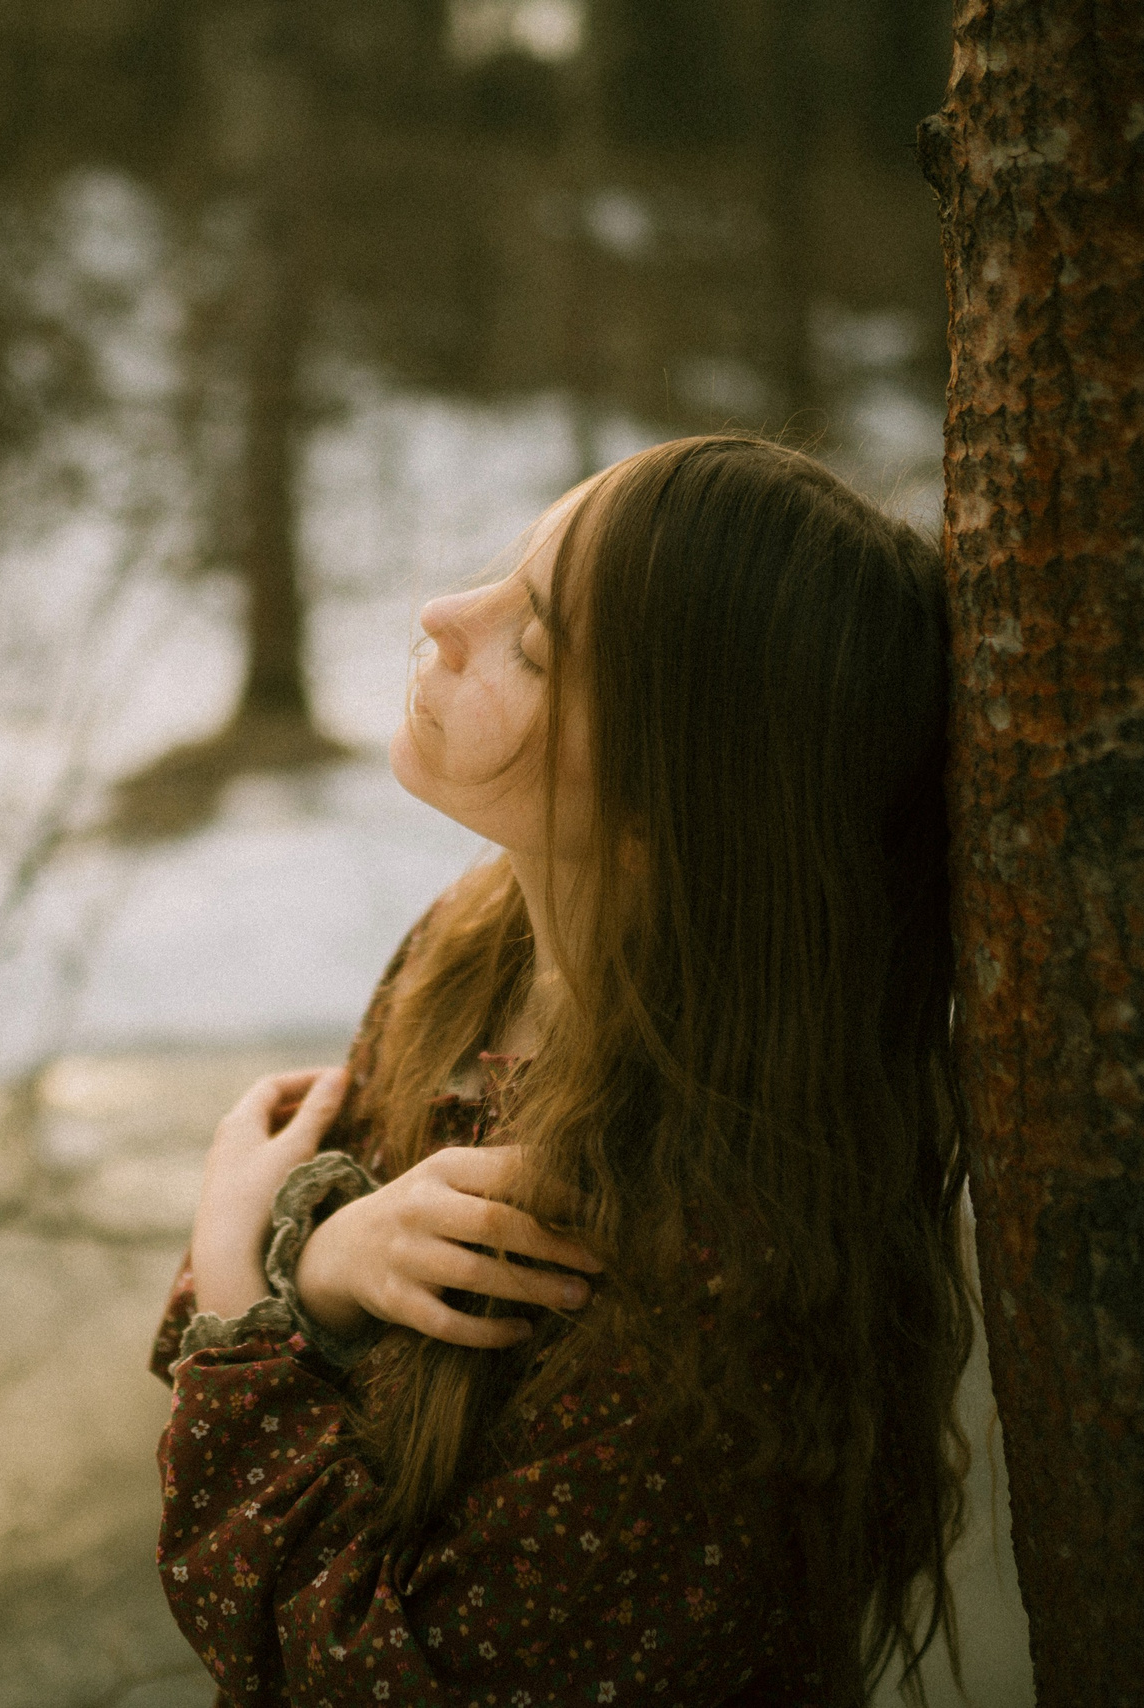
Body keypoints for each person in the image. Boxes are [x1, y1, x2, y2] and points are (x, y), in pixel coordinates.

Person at [148, 435, 972, 1707]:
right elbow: (244, 1368)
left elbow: (348, 1671)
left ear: (666, 810)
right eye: (509, 574)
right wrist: (320, 1266)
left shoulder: (715, 1270)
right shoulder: (476, 942)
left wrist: (235, 1265)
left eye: (533, 645)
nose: (440, 614)